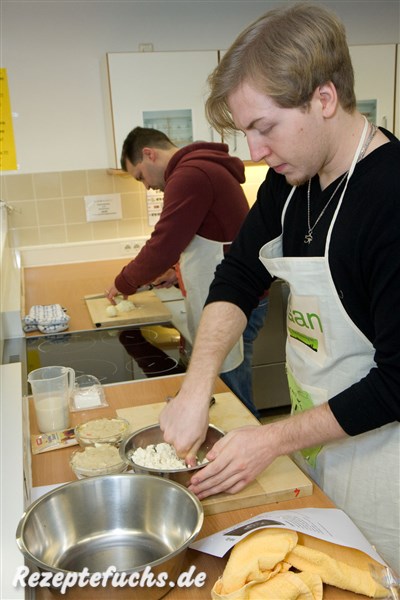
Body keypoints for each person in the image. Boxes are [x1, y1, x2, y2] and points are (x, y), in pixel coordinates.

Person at [159, 3, 400, 571]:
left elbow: (397, 380)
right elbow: (239, 276)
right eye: (247, 132)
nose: (255, 153)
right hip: (315, 442)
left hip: (385, 464)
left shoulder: (389, 198)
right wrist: (197, 387)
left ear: (324, 99)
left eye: (264, 128)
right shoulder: (291, 185)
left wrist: (269, 440)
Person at [106, 127, 268, 416]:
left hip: (236, 301)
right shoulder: (199, 169)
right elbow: (211, 235)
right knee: (224, 390)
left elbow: (163, 245)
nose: (146, 186)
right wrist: (175, 271)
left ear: (149, 154)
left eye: (141, 176)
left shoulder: (189, 175)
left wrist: (124, 282)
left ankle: (245, 452)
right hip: (236, 293)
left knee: (231, 396)